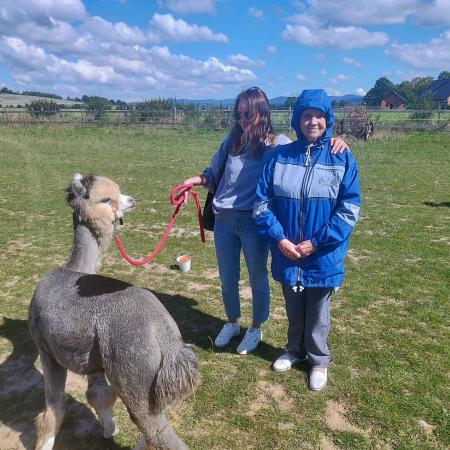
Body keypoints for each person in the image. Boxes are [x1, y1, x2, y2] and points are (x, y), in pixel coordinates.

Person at [181, 87, 349, 355]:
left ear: (262, 112)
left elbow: (308, 143)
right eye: (239, 113)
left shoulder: (277, 145)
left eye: (249, 113)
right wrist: (196, 180)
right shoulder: (232, 141)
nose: (243, 119)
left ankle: (256, 327)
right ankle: (232, 322)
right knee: (227, 279)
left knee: (257, 278)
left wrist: (334, 140)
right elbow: (213, 174)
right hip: (224, 220)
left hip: (253, 222)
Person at [253, 89, 360, 390]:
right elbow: (261, 204)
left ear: (328, 120)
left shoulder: (342, 158)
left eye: (319, 116)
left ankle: (319, 359)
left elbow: (349, 210)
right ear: (297, 119)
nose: (313, 121)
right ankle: (294, 351)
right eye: (306, 115)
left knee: (317, 311)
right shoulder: (279, 157)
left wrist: (316, 242)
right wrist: (280, 239)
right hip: (288, 251)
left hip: (323, 254)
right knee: (294, 305)